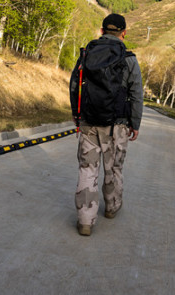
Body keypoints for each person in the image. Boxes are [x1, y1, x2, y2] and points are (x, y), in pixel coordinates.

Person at [69, 13, 144, 236]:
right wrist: (135, 123)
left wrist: (77, 114)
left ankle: (85, 221)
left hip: (89, 123)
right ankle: (111, 208)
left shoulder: (86, 54)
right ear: (124, 33)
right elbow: (136, 94)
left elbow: (75, 85)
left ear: (102, 31)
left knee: (87, 169)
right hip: (118, 126)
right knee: (114, 168)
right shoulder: (129, 59)